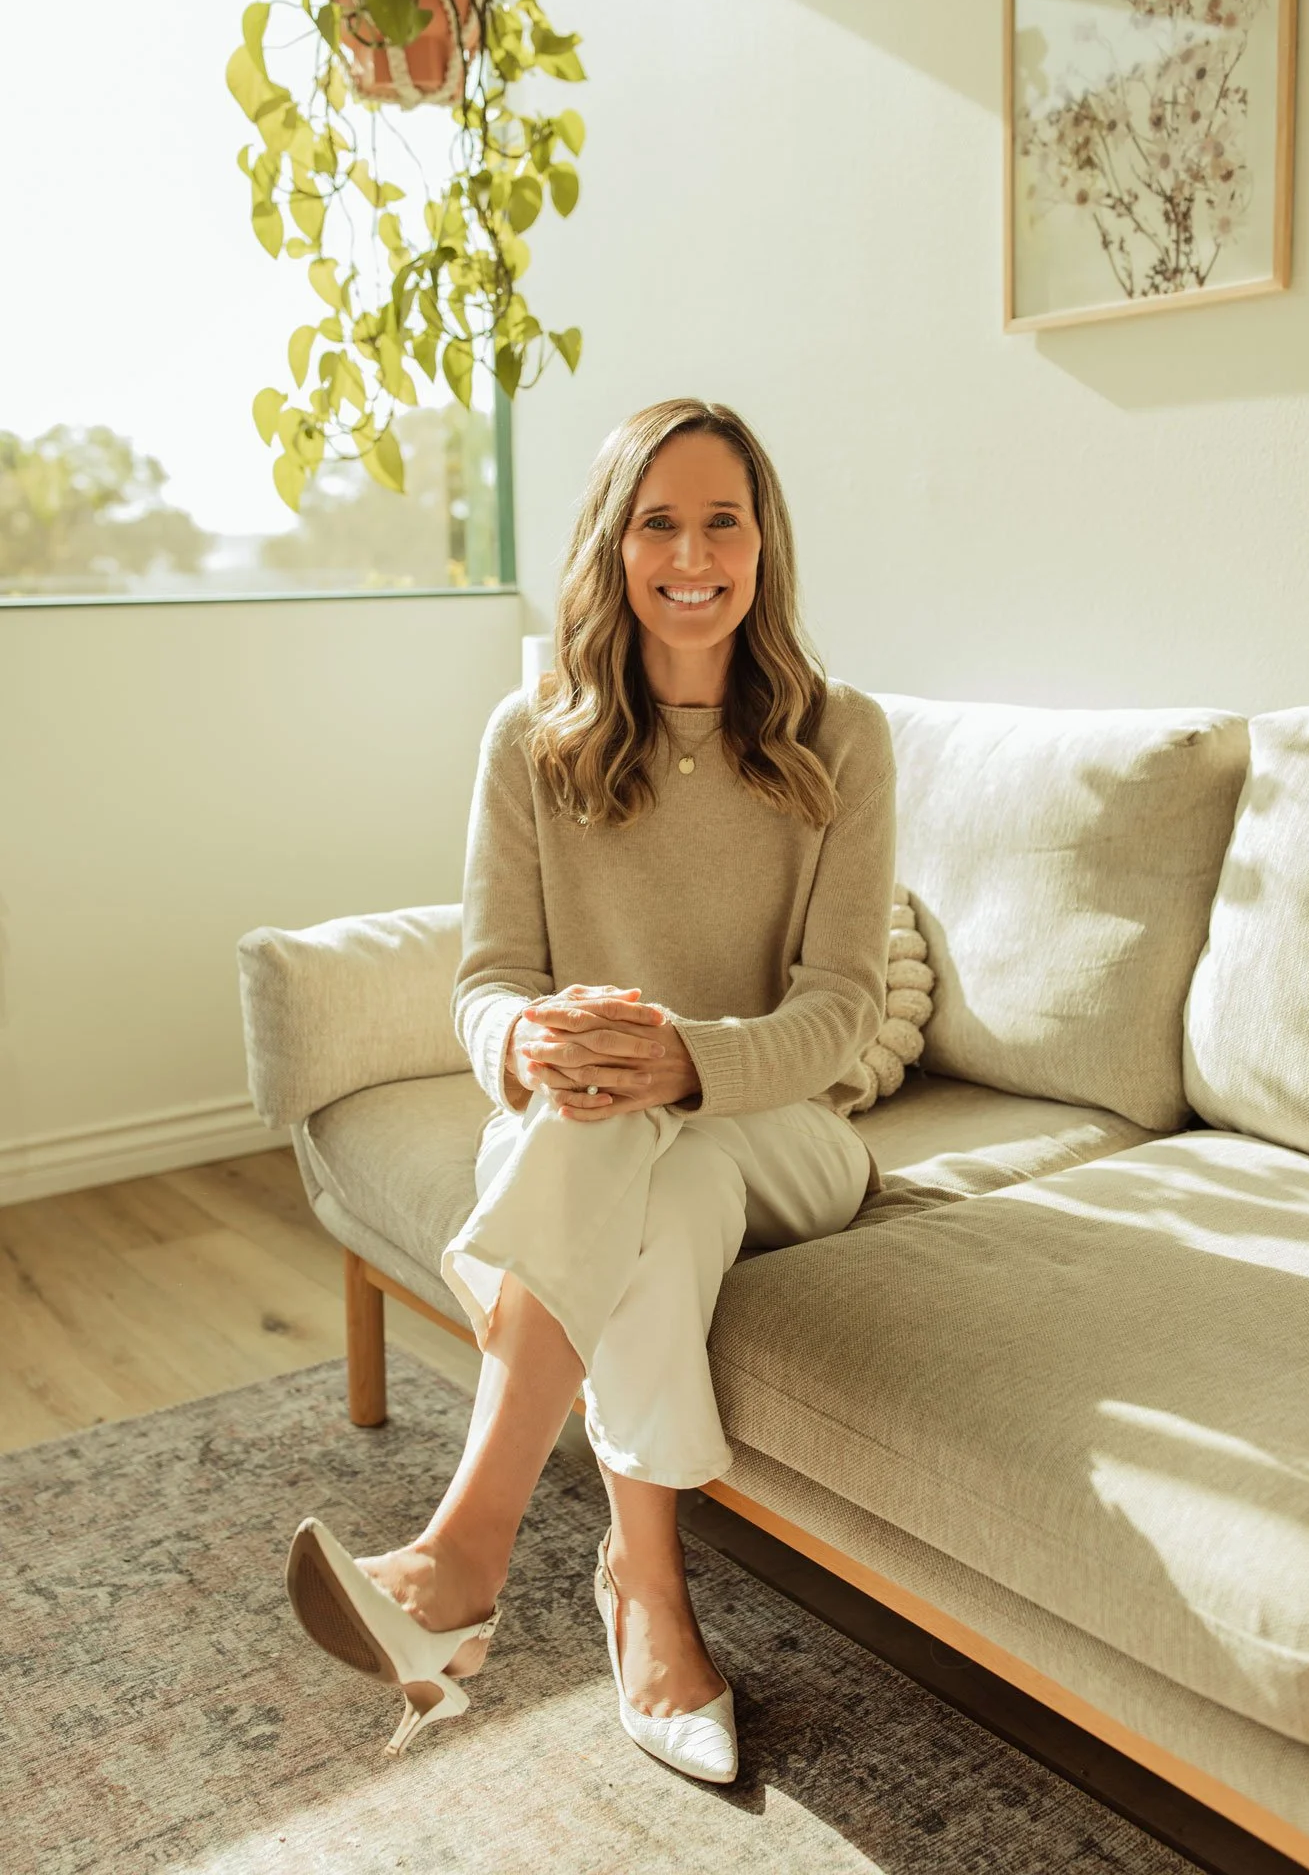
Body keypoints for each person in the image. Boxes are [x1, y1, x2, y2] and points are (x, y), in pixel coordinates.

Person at [285, 397, 896, 1782]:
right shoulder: (531, 738)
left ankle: (464, 1556)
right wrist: (531, 1042)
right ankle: (648, 1598)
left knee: (634, 1126)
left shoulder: (841, 735)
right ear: (613, 548)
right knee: (644, 1177)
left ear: (764, 543)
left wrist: (685, 1058)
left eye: (723, 521)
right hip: (599, 1133)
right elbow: (487, 980)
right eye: (658, 523)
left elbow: (844, 1012)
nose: (693, 555)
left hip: (791, 1132)